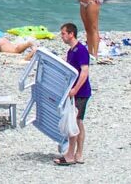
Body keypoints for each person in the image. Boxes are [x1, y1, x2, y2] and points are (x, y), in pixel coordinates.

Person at [58, 21, 91, 166]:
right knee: (78, 122)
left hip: (81, 92)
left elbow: (84, 72)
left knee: (75, 121)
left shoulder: (81, 50)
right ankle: (77, 153)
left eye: (64, 34)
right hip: (73, 91)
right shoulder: (70, 51)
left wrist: (75, 90)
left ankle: (72, 154)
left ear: (71, 34)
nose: (62, 37)